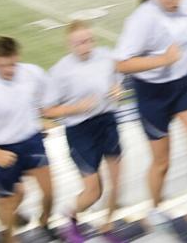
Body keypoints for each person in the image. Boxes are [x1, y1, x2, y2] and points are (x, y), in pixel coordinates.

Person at [115, 0, 187, 235]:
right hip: (153, 94)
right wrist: (163, 60)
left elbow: (186, 35)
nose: (176, 2)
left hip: (184, 85)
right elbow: (122, 64)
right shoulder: (141, 20)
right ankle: (155, 209)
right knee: (162, 162)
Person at [0, 36, 58, 242]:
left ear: (18, 57)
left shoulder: (33, 74)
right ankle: (8, 237)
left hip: (30, 140)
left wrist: (41, 120)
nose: (9, 70)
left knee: (50, 191)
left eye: (12, 64)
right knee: (8, 201)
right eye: (4, 65)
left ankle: (44, 221)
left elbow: (45, 102)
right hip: (0, 147)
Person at [42, 21, 125, 243]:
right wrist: (75, 108)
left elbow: (119, 77)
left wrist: (118, 88)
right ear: (69, 44)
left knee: (118, 181)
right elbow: (47, 109)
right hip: (80, 130)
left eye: (88, 40)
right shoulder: (60, 71)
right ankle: (70, 216)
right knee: (93, 191)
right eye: (79, 43)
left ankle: (108, 227)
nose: (85, 46)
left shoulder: (106, 56)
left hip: (107, 121)